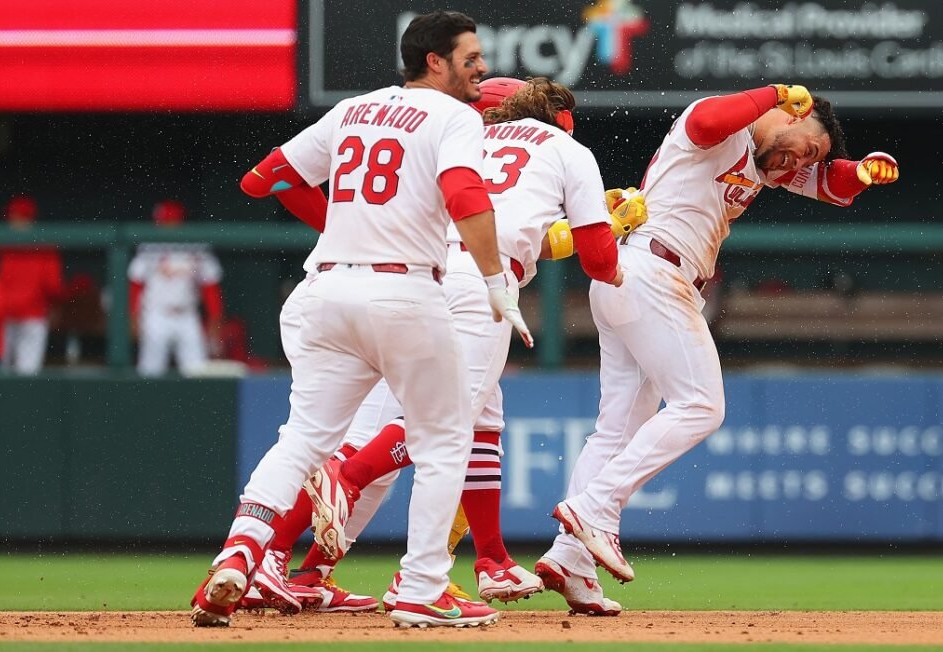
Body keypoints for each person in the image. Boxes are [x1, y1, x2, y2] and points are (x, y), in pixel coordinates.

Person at [190, 10, 533, 629]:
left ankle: (240, 552)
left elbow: (262, 179)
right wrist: (493, 281)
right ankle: (422, 586)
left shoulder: (354, 108)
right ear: (435, 61)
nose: (482, 67)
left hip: (324, 292)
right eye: (471, 57)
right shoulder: (454, 116)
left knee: (302, 438)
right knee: (446, 438)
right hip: (402, 292)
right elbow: (464, 193)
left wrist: (344, 227)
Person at [249, 76, 640, 615]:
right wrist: (607, 239)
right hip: (467, 283)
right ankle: (389, 551)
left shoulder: (453, 138)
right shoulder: (562, 149)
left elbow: (507, 226)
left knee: (467, 422)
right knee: (435, 429)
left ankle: (311, 564)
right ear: (560, 120)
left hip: (410, 278)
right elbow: (578, 254)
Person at [540, 84, 900, 593]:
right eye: (808, 147)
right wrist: (776, 92)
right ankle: (596, 507)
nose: (802, 162)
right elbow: (706, 121)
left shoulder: (766, 163)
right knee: (702, 406)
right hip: (654, 273)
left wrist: (862, 171)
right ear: (791, 115)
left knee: (616, 430)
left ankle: (570, 559)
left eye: (811, 158)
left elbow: (832, 184)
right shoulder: (725, 132)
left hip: (632, 277)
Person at [128, 200, 224, 377]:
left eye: (167, 222)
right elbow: (136, 284)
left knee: (198, 371)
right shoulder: (149, 247)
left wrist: (215, 318)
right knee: (150, 372)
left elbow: (210, 285)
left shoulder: (196, 247)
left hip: (187, 315)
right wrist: (134, 317)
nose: (163, 226)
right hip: (156, 315)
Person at [0, 196, 65, 374]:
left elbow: (52, 286)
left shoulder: (3, 244)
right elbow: (54, 287)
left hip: (18, 315)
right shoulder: (3, 245)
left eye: (16, 217)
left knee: (6, 372)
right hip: (17, 315)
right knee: (23, 374)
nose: (13, 221)